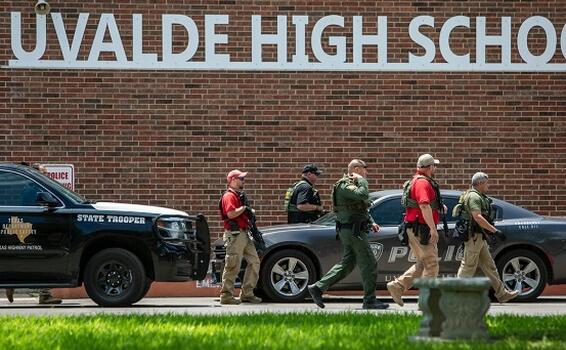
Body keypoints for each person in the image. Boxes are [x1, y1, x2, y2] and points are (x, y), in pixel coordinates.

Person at [308, 159, 389, 309]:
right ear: (357, 169)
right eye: (364, 169)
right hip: (353, 230)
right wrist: (362, 181)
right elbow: (362, 194)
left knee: (347, 264)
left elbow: (360, 206)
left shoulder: (352, 184)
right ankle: (369, 300)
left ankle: (318, 288)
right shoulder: (345, 185)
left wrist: (371, 222)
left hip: (353, 229)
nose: (366, 172)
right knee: (369, 263)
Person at [387, 154, 445, 307]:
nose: (436, 168)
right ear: (429, 167)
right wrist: (433, 229)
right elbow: (424, 205)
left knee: (423, 263)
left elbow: (427, 204)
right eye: (434, 165)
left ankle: (397, 286)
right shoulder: (422, 183)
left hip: (416, 228)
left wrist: (438, 207)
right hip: (421, 229)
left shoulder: (420, 181)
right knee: (431, 264)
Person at [455, 172, 520, 303]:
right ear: (479, 183)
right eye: (486, 183)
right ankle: (455, 295)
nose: (488, 186)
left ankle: (502, 293)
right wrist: (495, 231)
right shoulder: (474, 197)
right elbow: (477, 217)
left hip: (479, 237)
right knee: (468, 266)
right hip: (474, 237)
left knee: (489, 266)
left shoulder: (478, 196)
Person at [6, 162, 62, 305]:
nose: (45, 176)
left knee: (27, 259)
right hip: (36, 230)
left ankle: (10, 282)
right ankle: (44, 295)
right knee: (44, 260)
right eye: (42, 173)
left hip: (34, 229)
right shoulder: (34, 190)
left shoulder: (31, 189)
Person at [218, 169, 262, 305]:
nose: (243, 181)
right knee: (233, 265)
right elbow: (231, 214)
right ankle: (226, 296)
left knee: (254, 262)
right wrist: (244, 209)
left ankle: (247, 293)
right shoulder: (229, 196)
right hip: (235, 234)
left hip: (244, 233)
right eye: (240, 178)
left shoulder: (238, 195)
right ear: (232, 180)